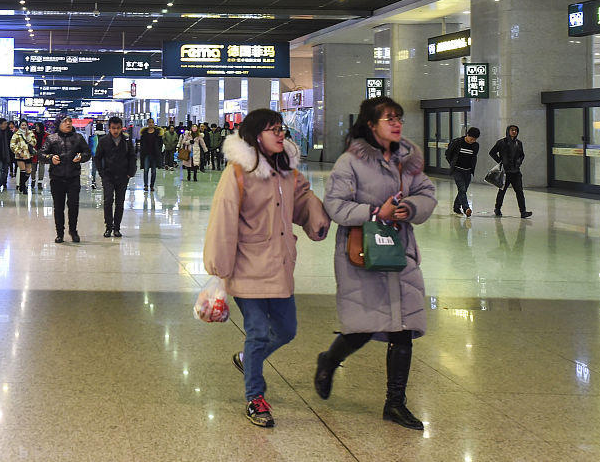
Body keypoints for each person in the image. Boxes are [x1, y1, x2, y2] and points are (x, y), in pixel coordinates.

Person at [314, 96, 437, 431]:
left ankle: (395, 403)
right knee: (364, 327)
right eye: (388, 118)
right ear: (371, 124)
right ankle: (330, 359)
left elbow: (427, 194)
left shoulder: (408, 160)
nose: (396, 123)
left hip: (399, 253)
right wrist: (373, 212)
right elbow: (335, 205)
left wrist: (409, 207)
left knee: (403, 329)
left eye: (398, 118)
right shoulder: (349, 162)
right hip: (362, 253)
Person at [204, 109, 330, 427]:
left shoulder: (287, 171)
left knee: (287, 330)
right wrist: (219, 267)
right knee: (258, 331)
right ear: (255, 135)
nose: (280, 134)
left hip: (279, 265)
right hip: (246, 265)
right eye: (272, 129)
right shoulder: (238, 172)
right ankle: (255, 398)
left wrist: (317, 219)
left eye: (281, 129)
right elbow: (223, 216)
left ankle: (248, 359)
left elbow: (301, 199)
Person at [42, 114, 91, 243]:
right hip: (57, 178)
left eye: (70, 121)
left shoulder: (78, 138)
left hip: (73, 177)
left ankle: (73, 231)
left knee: (74, 205)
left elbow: (87, 153)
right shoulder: (51, 138)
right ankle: (60, 233)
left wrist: (81, 157)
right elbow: (41, 154)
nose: (68, 124)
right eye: (65, 122)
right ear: (59, 124)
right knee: (58, 207)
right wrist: (50, 158)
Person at [94, 116, 136, 238]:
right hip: (108, 175)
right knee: (108, 201)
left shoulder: (127, 140)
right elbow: (97, 157)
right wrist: (101, 172)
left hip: (123, 176)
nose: (116, 131)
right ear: (109, 128)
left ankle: (117, 228)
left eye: (118, 128)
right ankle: (108, 227)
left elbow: (132, 157)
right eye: (113, 128)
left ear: (121, 128)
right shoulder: (103, 141)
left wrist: (130, 172)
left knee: (120, 202)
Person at [490, 125, 531, 218]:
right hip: (505, 172)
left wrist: (519, 162)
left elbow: (522, 155)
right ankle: (497, 208)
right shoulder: (501, 142)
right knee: (502, 191)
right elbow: (492, 152)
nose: (514, 132)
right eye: (512, 130)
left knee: (519, 191)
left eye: (516, 130)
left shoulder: (519, 143)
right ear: (508, 131)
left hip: (516, 172)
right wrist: (500, 162)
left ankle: (523, 211)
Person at [445, 126, 481, 216]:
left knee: (463, 190)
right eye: (471, 139)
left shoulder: (476, 145)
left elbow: (474, 157)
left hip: (468, 171)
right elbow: (448, 154)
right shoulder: (457, 142)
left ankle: (456, 207)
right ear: (467, 135)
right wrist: (452, 164)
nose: (472, 141)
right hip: (457, 170)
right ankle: (466, 208)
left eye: (474, 139)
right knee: (462, 188)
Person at [10, 120, 35, 193]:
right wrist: (18, 151)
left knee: (28, 172)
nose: (24, 127)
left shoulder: (30, 133)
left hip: (28, 155)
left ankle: (21, 184)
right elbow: (12, 145)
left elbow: (34, 143)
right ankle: (24, 188)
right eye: (22, 125)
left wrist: (29, 138)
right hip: (20, 155)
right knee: (22, 171)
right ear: (20, 126)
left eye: (25, 125)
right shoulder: (16, 134)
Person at [138, 119, 162, 191]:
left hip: (154, 154)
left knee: (154, 171)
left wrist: (158, 150)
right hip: (146, 154)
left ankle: (152, 185)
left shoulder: (157, 133)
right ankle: (145, 185)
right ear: (147, 123)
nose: (151, 124)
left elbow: (160, 143)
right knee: (146, 170)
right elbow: (142, 143)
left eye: (152, 122)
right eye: (149, 122)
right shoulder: (144, 133)